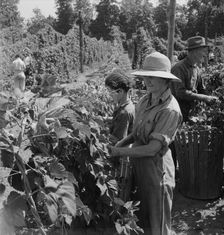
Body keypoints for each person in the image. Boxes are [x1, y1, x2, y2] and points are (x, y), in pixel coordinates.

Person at [108, 52, 182, 235]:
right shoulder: (144, 100)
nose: (147, 81)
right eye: (145, 76)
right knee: (146, 220)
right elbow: (135, 133)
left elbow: (153, 148)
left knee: (159, 224)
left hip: (158, 173)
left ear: (166, 80)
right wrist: (119, 145)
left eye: (153, 77)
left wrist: (119, 152)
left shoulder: (170, 110)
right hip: (141, 168)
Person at [171, 36, 218, 122]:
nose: (205, 55)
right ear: (195, 51)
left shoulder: (196, 69)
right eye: (203, 51)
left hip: (191, 114)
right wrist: (203, 97)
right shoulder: (179, 68)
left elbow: (201, 89)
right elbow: (180, 93)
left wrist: (212, 99)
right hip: (177, 114)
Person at [105, 70, 135, 145]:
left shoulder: (124, 112)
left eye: (110, 91)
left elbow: (118, 140)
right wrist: (105, 119)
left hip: (120, 154)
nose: (109, 95)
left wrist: (100, 133)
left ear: (120, 91)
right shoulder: (127, 105)